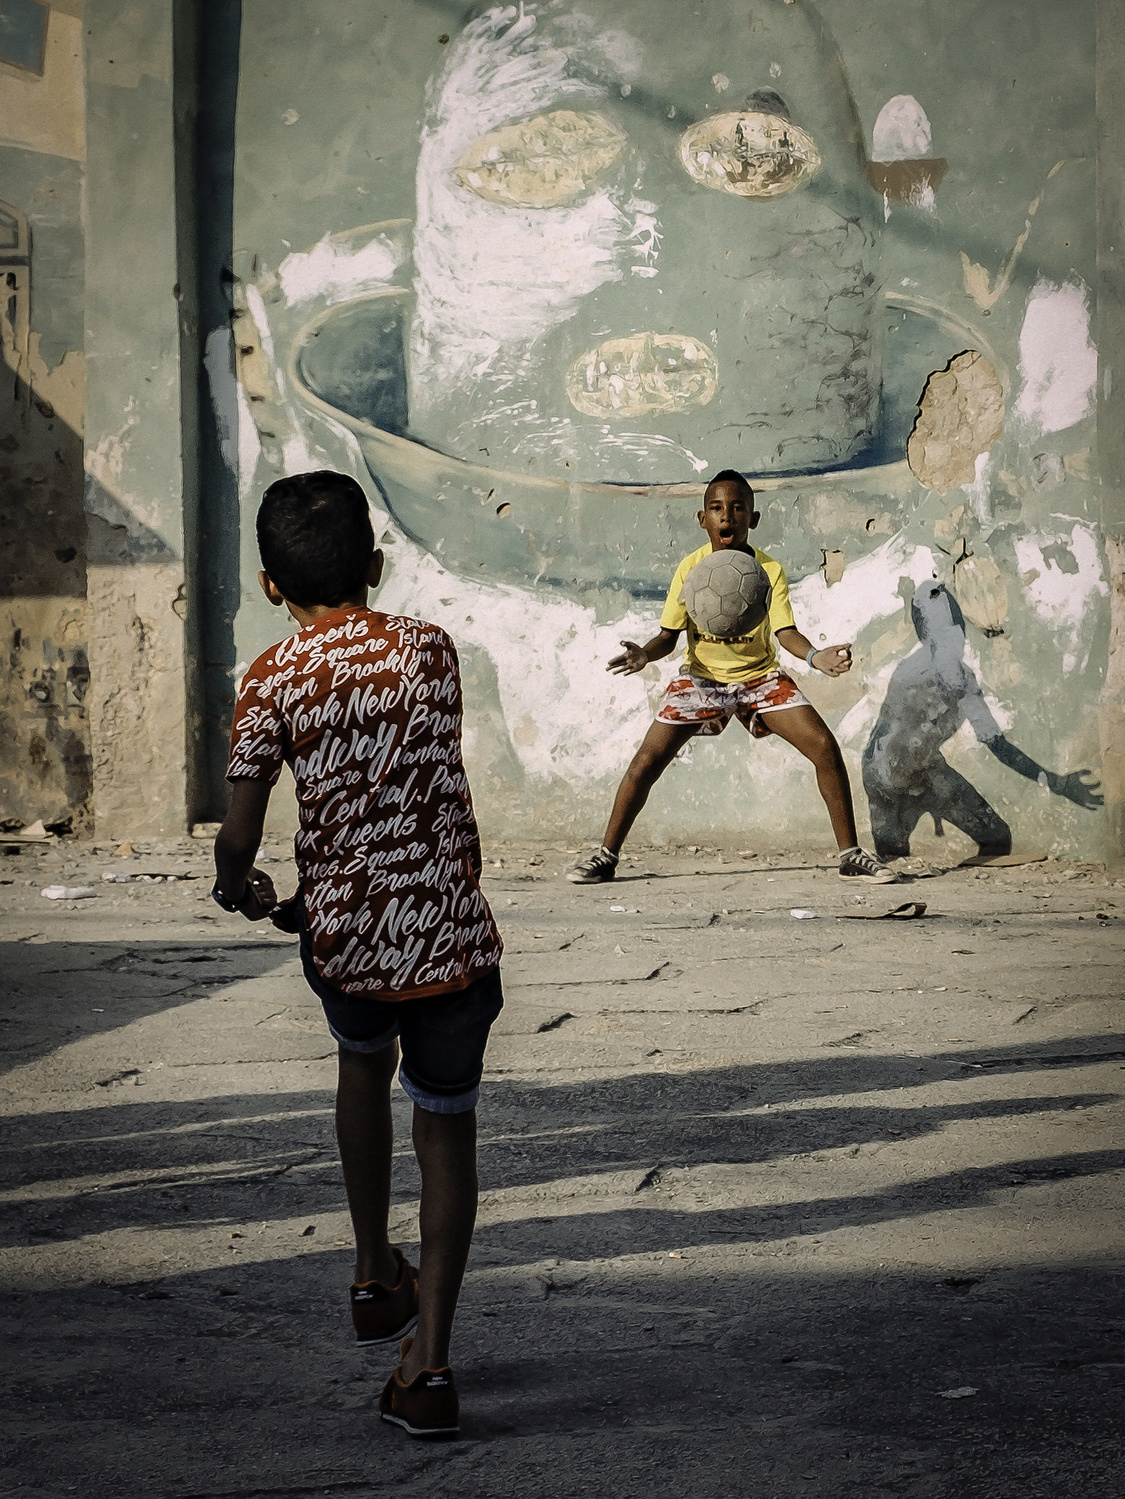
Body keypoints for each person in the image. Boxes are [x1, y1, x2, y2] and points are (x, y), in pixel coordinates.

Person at [211, 470, 503, 1440]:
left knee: (360, 1064)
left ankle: (374, 1273)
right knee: (446, 1129)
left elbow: (241, 834)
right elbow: (406, 776)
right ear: (375, 565)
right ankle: (430, 1366)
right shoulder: (430, 649)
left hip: (345, 938)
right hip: (448, 938)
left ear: (269, 586)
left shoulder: (271, 678)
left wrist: (239, 887)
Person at [568, 470, 897, 884]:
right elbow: (668, 637)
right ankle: (605, 856)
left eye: (738, 508)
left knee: (823, 747)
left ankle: (850, 855)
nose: (727, 516)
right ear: (703, 519)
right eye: (717, 508)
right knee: (646, 761)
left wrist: (815, 657)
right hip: (702, 680)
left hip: (759, 678)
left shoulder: (768, 569)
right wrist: (645, 655)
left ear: (752, 519)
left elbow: (785, 632)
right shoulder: (690, 569)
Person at [863, 579, 1102, 859]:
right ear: (927, 637)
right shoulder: (911, 674)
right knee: (893, 857)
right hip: (887, 779)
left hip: (926, 772)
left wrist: (1056, 782)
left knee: (997, 838)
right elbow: (892, 745)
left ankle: (959, 881)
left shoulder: (962, 681)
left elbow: (997, 744)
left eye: (955, 634)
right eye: (943, 635)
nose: (953, 642)